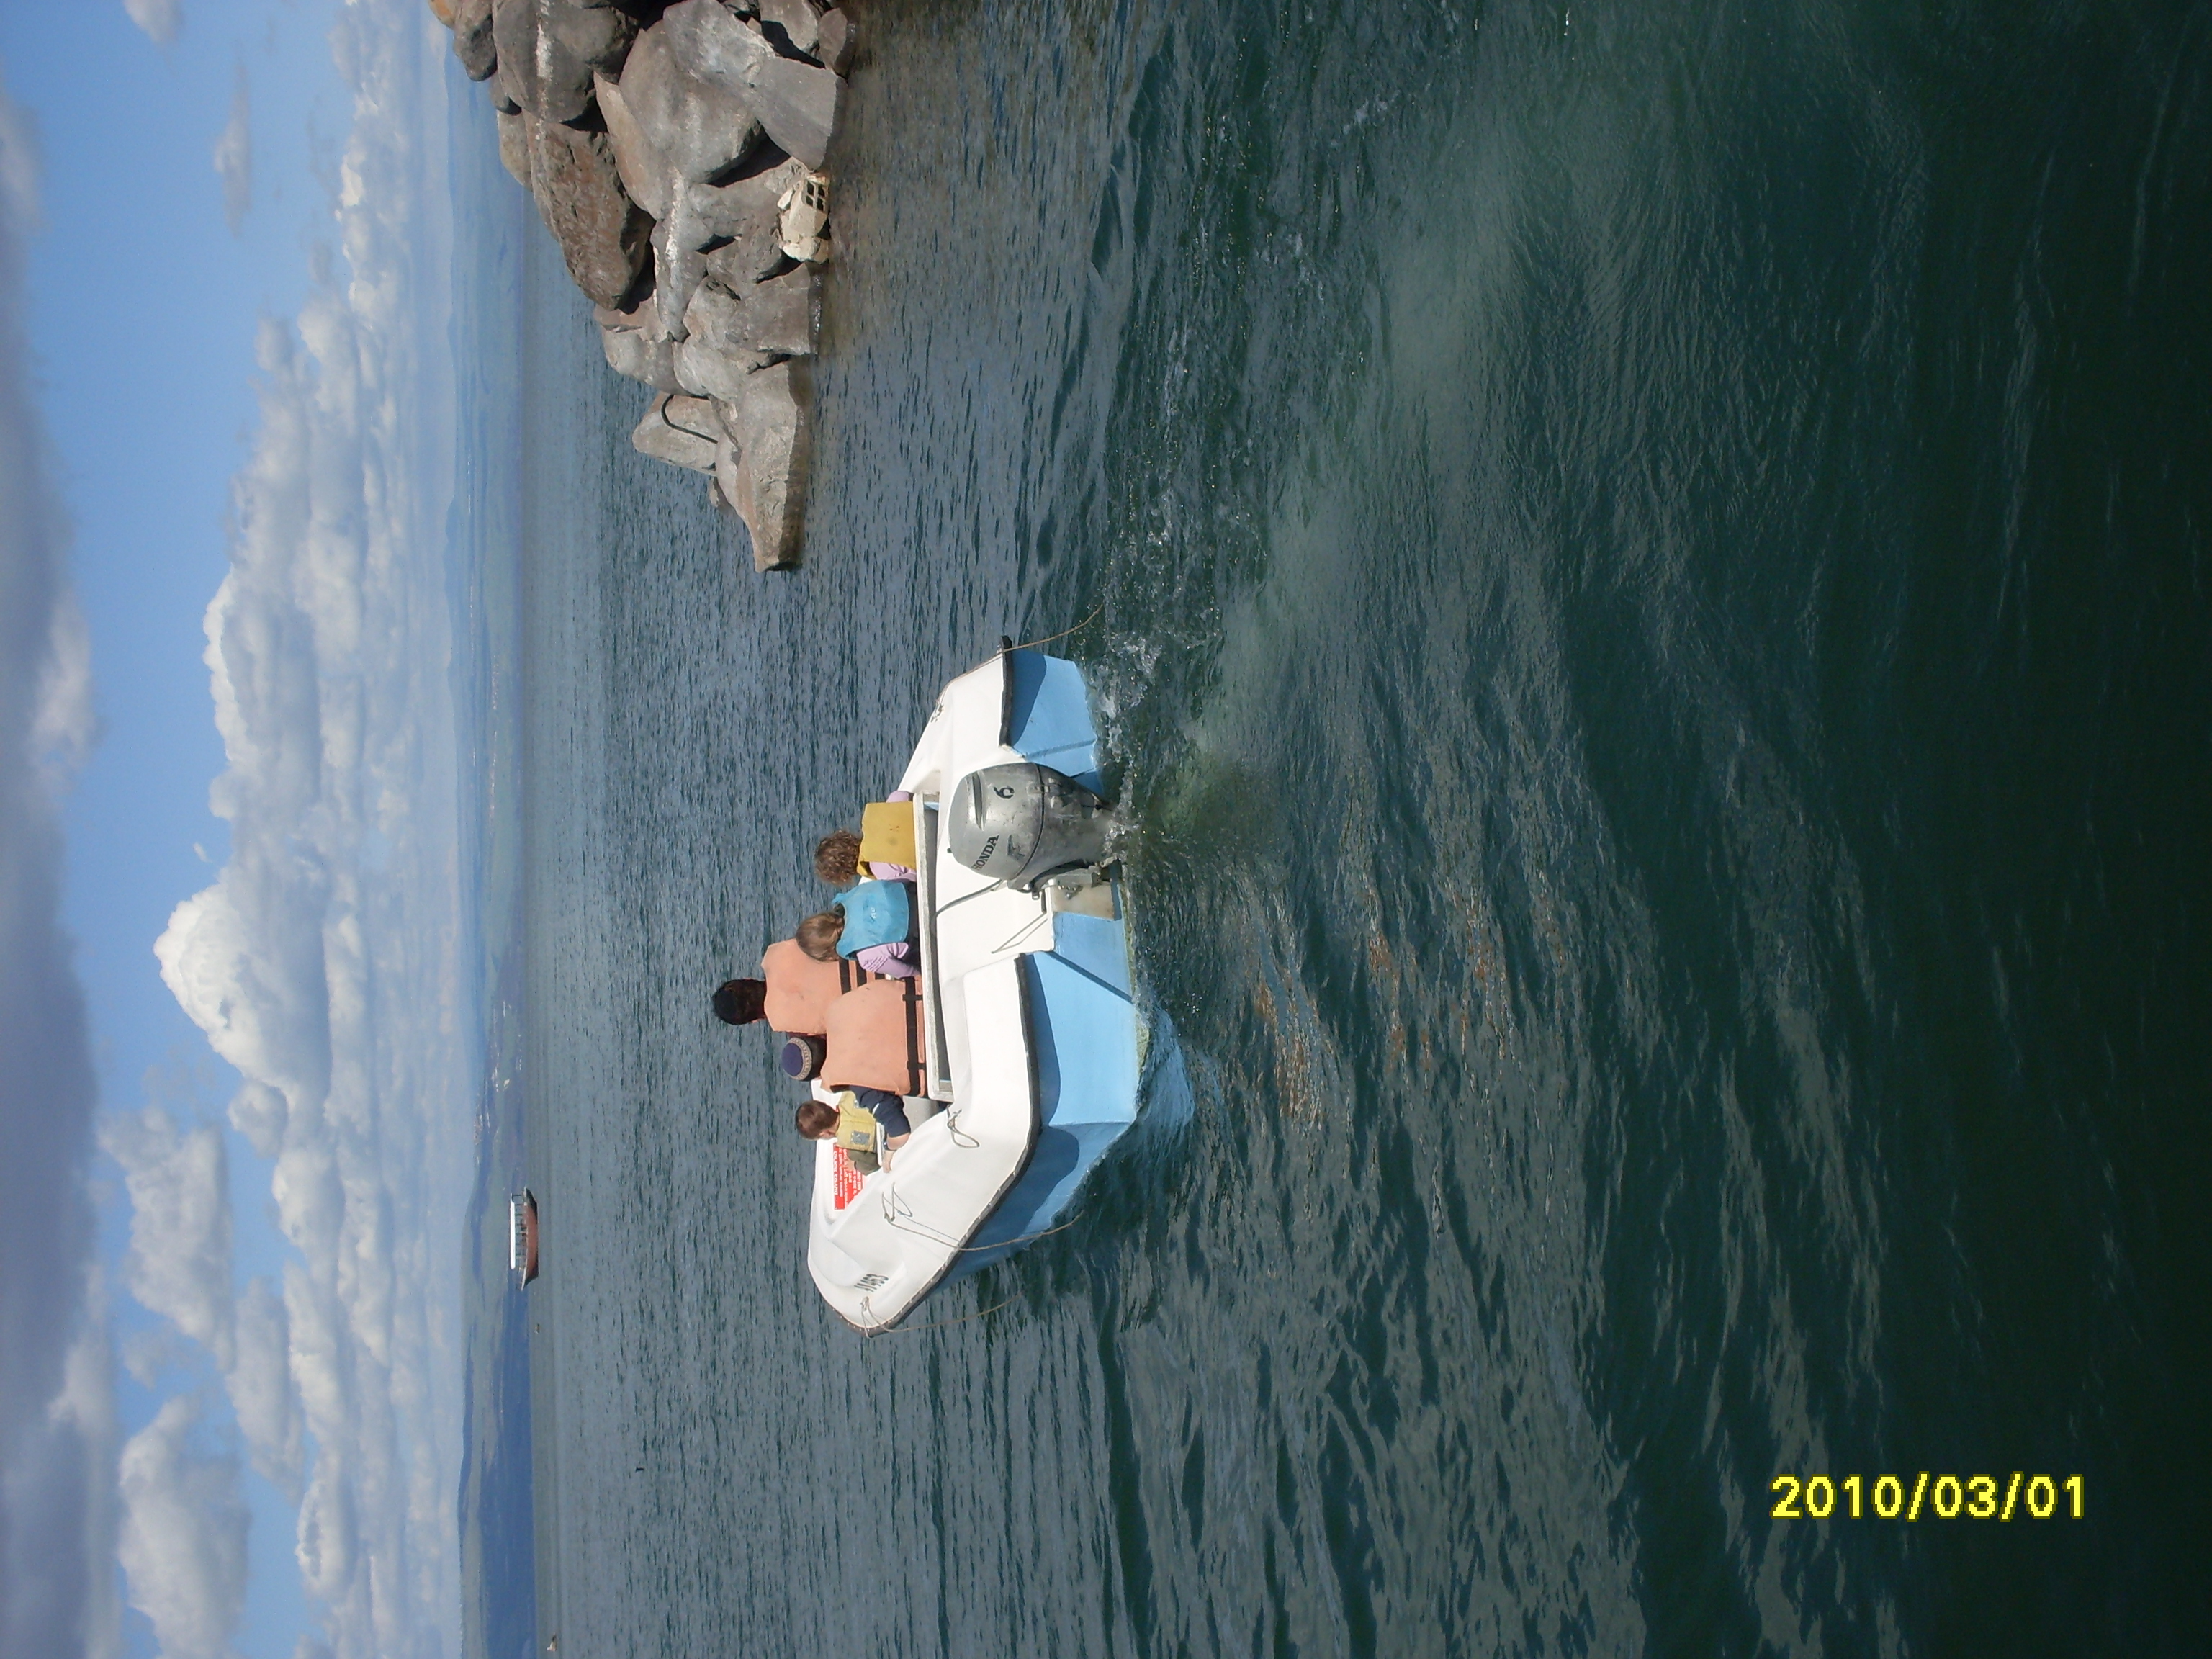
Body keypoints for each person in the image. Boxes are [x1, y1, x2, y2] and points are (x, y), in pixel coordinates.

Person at [795, 877, 917, 977]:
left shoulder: (867, 958)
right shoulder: (856, 893)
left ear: (829, 957)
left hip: (922, 933)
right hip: (919, 892)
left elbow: (911, 973)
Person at [795, 1087, 912, 1174]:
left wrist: (855, 1165)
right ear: (827, 1107)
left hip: (899, 1141)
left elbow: (871, 1164)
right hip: (897, 1108)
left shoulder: (849, 1146)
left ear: (825, 1133)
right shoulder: (849, 1094)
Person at [813, 793, 918, 886]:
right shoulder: (874, 819)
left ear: (844, 876)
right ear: (846, 837)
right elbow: (901, 795)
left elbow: (914, 879)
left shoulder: (883, 874)